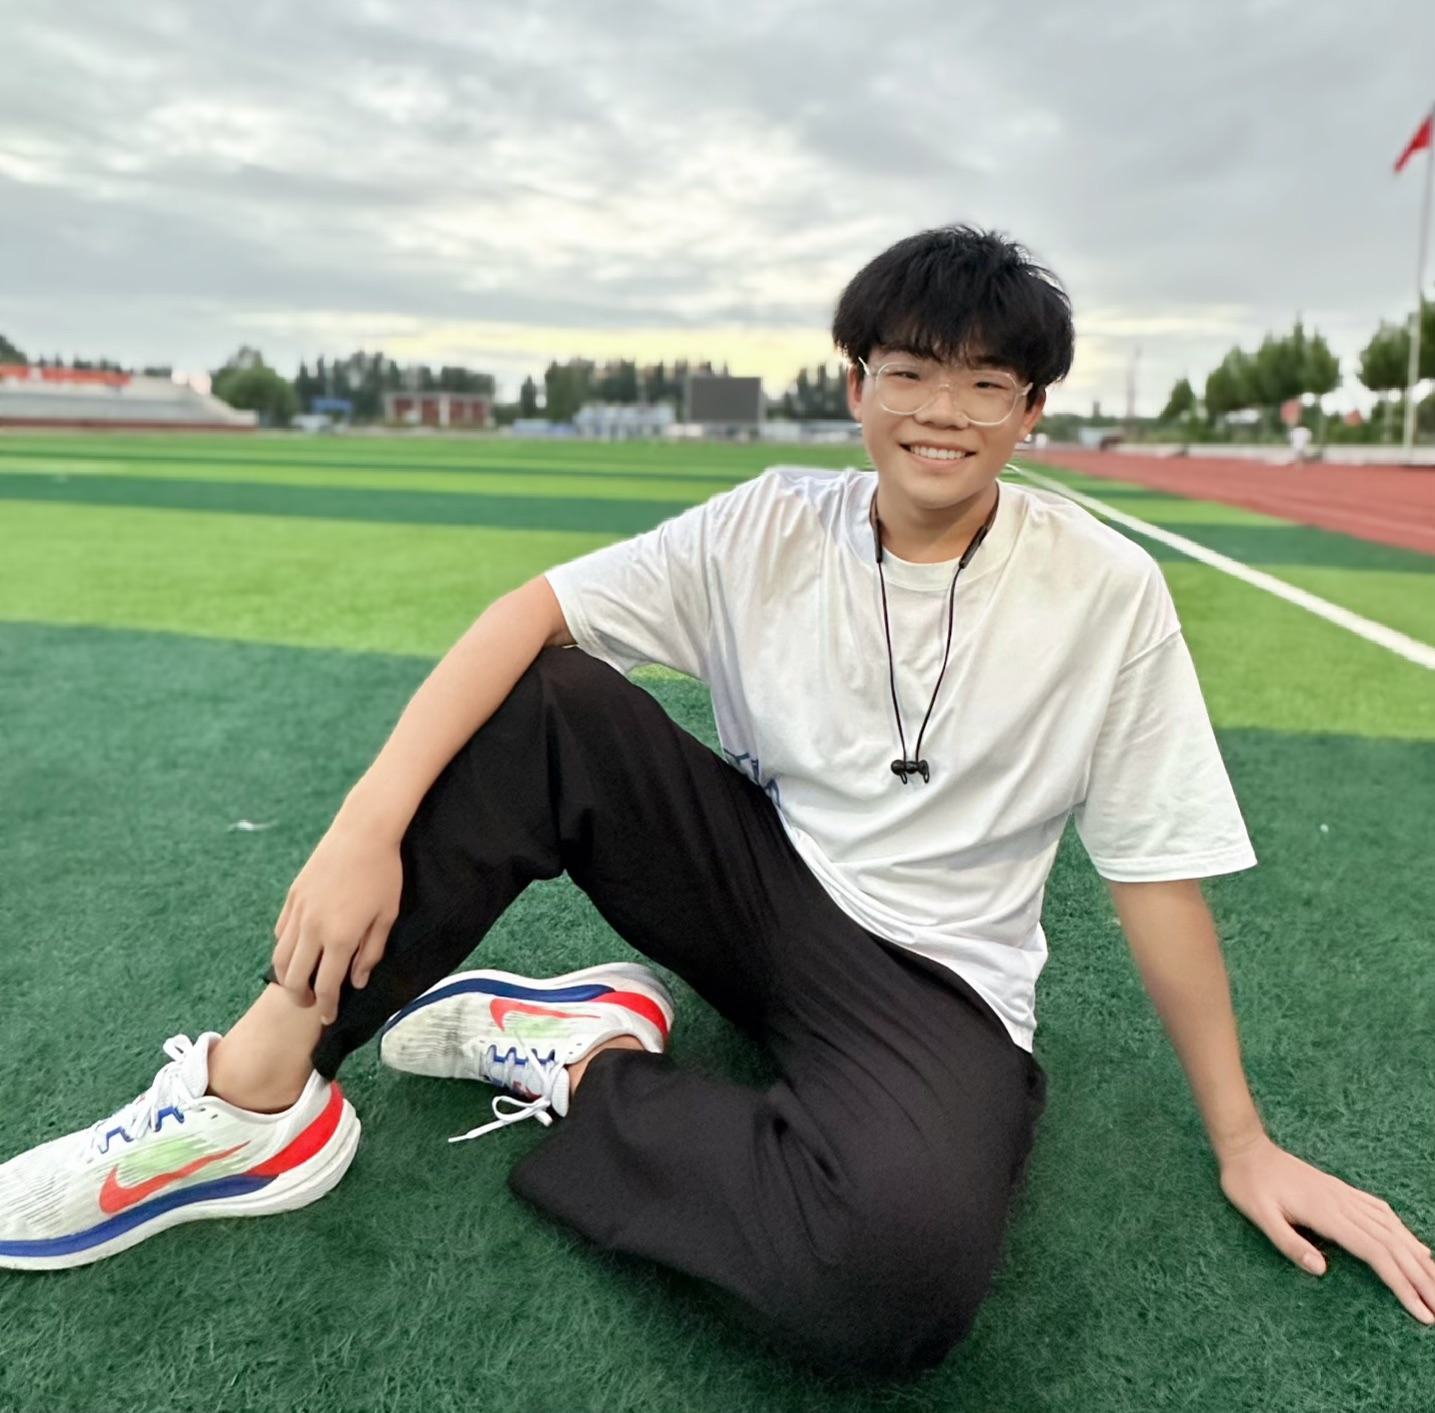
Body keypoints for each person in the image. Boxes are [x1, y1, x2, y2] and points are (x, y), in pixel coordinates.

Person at [2, 227, 1432, 1374]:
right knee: (550, 700)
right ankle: (255, 1097)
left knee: (890, 1283)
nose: (942, 412)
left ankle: (574, 1060)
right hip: (755, 893)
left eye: (987, 385)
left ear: (1032, 411)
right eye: (909, 371)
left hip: (936, 985)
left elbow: (1153, 868)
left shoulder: (1106, 591)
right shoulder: (766, 523)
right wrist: (360, 829)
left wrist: (1244, 1142)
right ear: (855, 383)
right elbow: (529, 613)